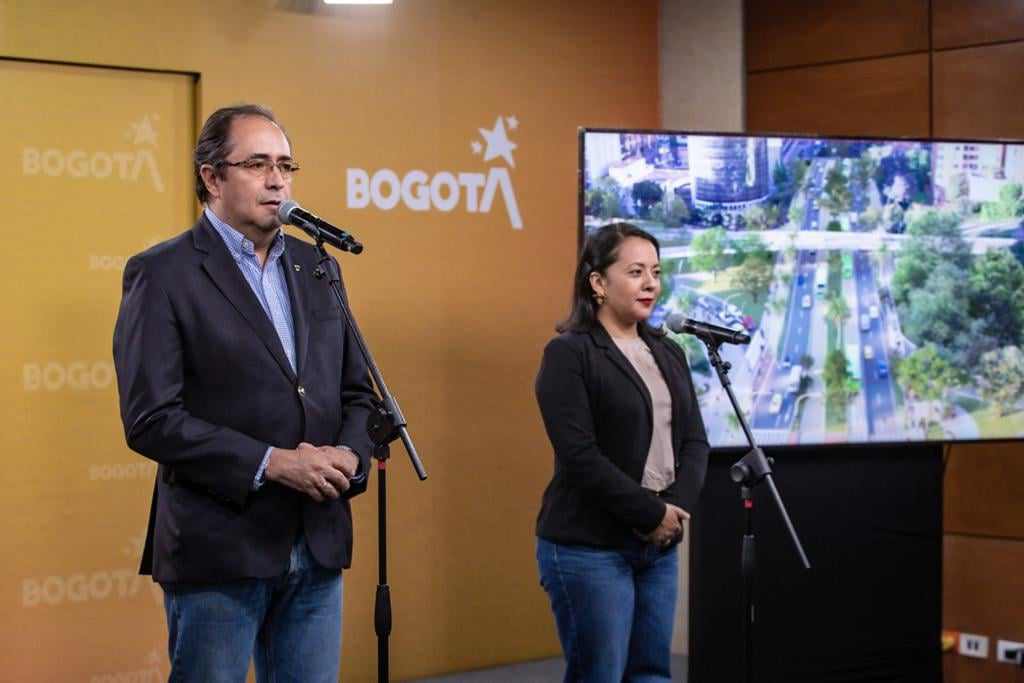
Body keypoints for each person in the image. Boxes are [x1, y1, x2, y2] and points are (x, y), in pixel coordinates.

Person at [113, 104, 376, 682]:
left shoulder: (317, 266)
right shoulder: (163, 273)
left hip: (317, 540)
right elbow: (151, 418)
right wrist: (272, 463)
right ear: (212, 177)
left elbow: (361, 392)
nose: (277, 180)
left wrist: (351, 456)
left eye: (285, 164)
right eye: (257, 164)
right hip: (220, 548)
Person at [534, 222, 710, 682]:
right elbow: (580, 455)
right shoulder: (569, 354)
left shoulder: (668, 352)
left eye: (656, 271)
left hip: (660, 546)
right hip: (590, 547)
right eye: (636, 271)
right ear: (597, 282)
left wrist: (676, 509)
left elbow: (694, 440)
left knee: (653, 674)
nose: (651, 283)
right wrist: (650, 514)